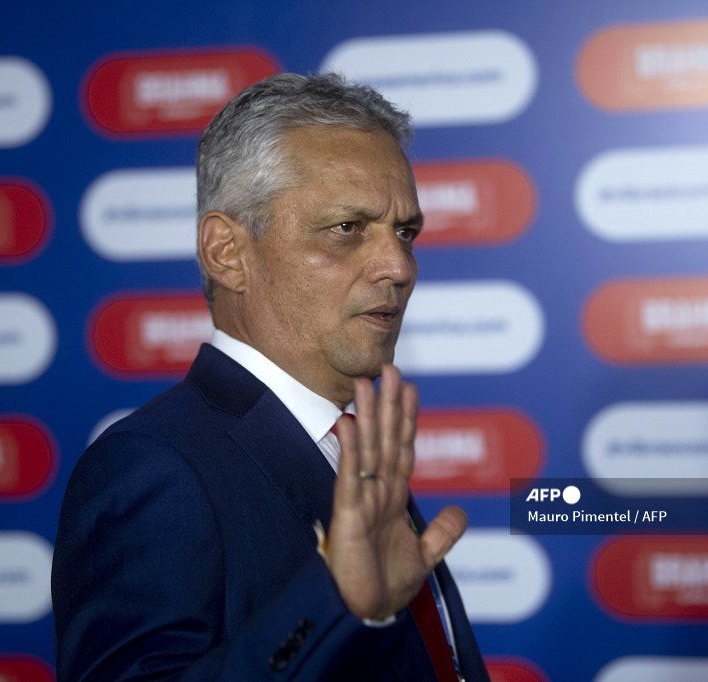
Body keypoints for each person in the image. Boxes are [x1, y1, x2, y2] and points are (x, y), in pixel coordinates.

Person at [52, 72, 488, 681]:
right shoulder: (154, 468)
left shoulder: (348, 450)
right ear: (227, 253)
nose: (398, 266)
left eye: (405, 232)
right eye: (347, 229)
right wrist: (334, 600)